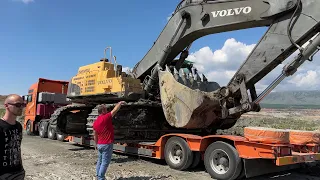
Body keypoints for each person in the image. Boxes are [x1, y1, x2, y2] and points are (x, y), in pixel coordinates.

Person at [93, 101, 125, 180]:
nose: (107, 110)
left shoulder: (95, 122)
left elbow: (95, 135)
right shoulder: (106, 117)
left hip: (100, 144)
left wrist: (96, 144)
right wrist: (120, 103)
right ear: (103, 111)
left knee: (100, 161)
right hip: (107, 144)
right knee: (105, 162)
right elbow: (114, 110)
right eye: (106, 109)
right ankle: (101, 178)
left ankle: (98, 175)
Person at [0, 94, 26, 180]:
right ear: (6, 106)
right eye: (18, 105)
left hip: (18, 172)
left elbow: (17, 148)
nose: (21, 107)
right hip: (3, 174)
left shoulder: (18, 126)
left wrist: (21, 169)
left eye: (23, 105)